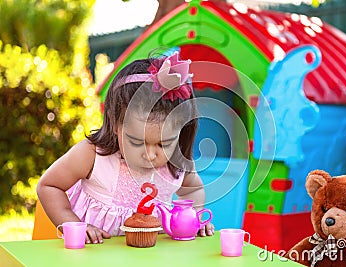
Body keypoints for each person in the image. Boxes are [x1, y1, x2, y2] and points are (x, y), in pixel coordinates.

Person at [37, 51, 214, 244]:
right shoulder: (93, 155)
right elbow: (49, 186)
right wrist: (74, 226)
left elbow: (192, 189)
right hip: (93, 255)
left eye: (164, 144)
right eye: (137, 142)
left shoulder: (176, 163)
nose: (150, 154)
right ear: (115, 125)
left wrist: (194, 219)